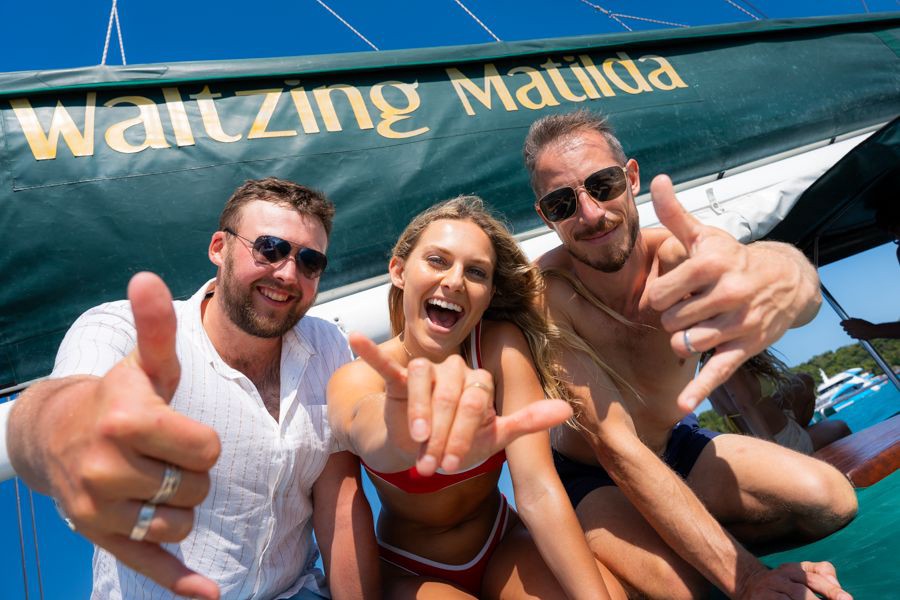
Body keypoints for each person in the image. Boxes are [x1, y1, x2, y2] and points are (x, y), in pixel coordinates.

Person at [523, 110, 858, 599]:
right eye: (561, 202)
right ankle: (683, 558)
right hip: (592, 478)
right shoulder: (547, 298)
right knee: (698, 593)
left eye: (603, 184)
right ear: (546, 215)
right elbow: (615, 447)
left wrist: (789, 275)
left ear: (631, 178)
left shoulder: (679, 257)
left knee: (830, 500)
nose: (590, 214)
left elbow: (754, 265)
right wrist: (747, 580)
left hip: (676, 447)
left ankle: (687, 545)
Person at [6, 178, 380, 600]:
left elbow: (339, 505)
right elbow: (54, 407)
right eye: (269, 249)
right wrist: (70, 435)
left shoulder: (327, 346)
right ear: (219, 247)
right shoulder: (129, 330)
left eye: (310, 261)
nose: (288, 273)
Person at [328, 197, 624, 599]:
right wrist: (404, 428)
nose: (453, 281)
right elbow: (367, 427)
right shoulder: (355, 378)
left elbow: (537, 489)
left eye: (476, 272)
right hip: (411, 570)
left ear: (487, 294)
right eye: (437, 260)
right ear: (398, 271)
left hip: (503, 541)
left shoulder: (500, 347)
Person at [708, 350, 850, 453]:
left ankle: (806, 434)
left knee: (803, 381)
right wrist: (775, 453)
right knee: (841, 427)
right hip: (782, 441)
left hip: (776, 431)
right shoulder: (726, 362)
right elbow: (746, 407)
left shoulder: (707, 369)